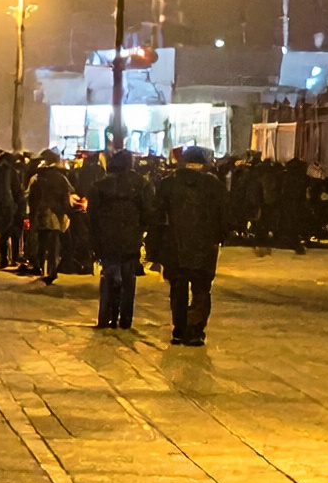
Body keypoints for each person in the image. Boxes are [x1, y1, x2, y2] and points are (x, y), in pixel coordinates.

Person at [151, 146, 226, 345]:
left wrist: (155, 245)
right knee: (202, 289)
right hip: (206, 246)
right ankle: (195, 329)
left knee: (178, 288)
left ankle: (180, 328)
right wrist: (222, 236)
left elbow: (157, 215)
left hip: (175, 245)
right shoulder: (214, 184)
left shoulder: (168, 183)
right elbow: (225, 215)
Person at [84, 149, 151, 330]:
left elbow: (92, 215)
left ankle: (106, 316)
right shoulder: (141, 185)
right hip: (130, 238)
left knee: (108, 275)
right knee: (128, 278)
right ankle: (125, 319)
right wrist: (139, 230)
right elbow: (147, 213)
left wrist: (94, 237)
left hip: (106, 239)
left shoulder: (99, 186)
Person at [26, 152, 77, 285]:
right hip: (55, 214)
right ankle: (52, 271)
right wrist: (68, 211)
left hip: (40, 212)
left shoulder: (37, 178)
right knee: (54, 244)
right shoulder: (61, 179)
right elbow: (67, 197)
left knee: (42, 242)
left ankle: (41, 267)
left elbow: (31, 196)